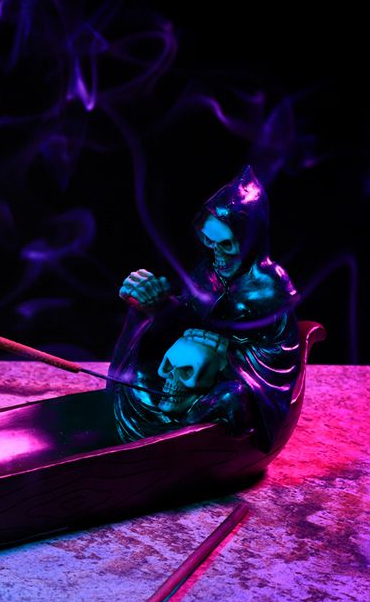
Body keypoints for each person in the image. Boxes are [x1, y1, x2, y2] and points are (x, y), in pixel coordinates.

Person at [110, 166, 300, 452]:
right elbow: (189, 318)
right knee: (136, 379)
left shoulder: (270, 286)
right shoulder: (208, 272)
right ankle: (161, 434)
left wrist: (220, 356)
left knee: (230, 400)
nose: (217, 254)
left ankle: (180, 437)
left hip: (243, 378)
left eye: (227, 245)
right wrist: (156, 305)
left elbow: (274, 356)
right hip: (192, 367)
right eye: (209, 242)